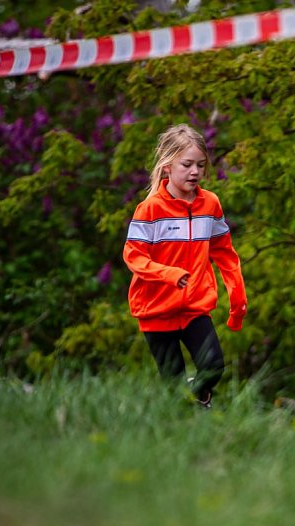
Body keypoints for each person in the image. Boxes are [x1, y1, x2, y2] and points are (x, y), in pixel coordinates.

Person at [123, 124, 247, 408]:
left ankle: (198, 399)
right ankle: (180, 423)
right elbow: (133, 256)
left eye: (200, 165)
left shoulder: (210, 204)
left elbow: (224, 253)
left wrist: (237, 296)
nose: (195, 171)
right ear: (167, 167)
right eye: (187, 164)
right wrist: (169, 274)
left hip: (194, 306)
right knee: (173, 383)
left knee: (213, 366)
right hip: (155, 310)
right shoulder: (150, 209)